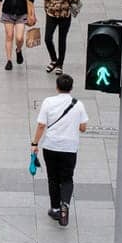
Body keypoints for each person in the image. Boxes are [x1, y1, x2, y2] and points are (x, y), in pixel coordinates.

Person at [32, 72, 87, 227]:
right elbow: (83, 127)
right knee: (67, 178)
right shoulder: (78, 104)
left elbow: (41, 125)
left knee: (53, 178)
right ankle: (65, 205)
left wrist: (35, 143)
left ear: (57, 87)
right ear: (71, 88)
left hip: (51, 146)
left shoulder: (48, 102)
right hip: (70, 148)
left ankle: (55, 208)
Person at [42, 0, 82, 74]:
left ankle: (60, 64)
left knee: (61, 40)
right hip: (51, 14)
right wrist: (46, 9)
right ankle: (54, 60)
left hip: (64, 15)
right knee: (47, 38)